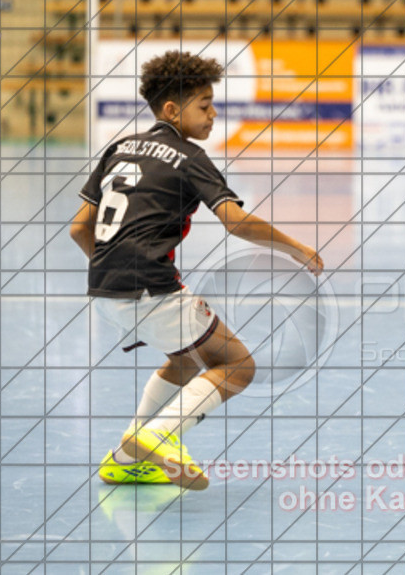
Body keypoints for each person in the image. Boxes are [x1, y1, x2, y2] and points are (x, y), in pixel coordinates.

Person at [70, 51, 323, 490]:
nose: (213, 113)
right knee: (238, 365)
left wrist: (113, 272)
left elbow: (79, 228)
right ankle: (155, 436)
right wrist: (297, 248)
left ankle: (127, 457)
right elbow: (235, 221)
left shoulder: (118, 147)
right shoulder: (189, 156)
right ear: (173, 109)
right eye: (204, 105)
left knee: (186, 358)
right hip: (151, 287)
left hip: (103, 288)